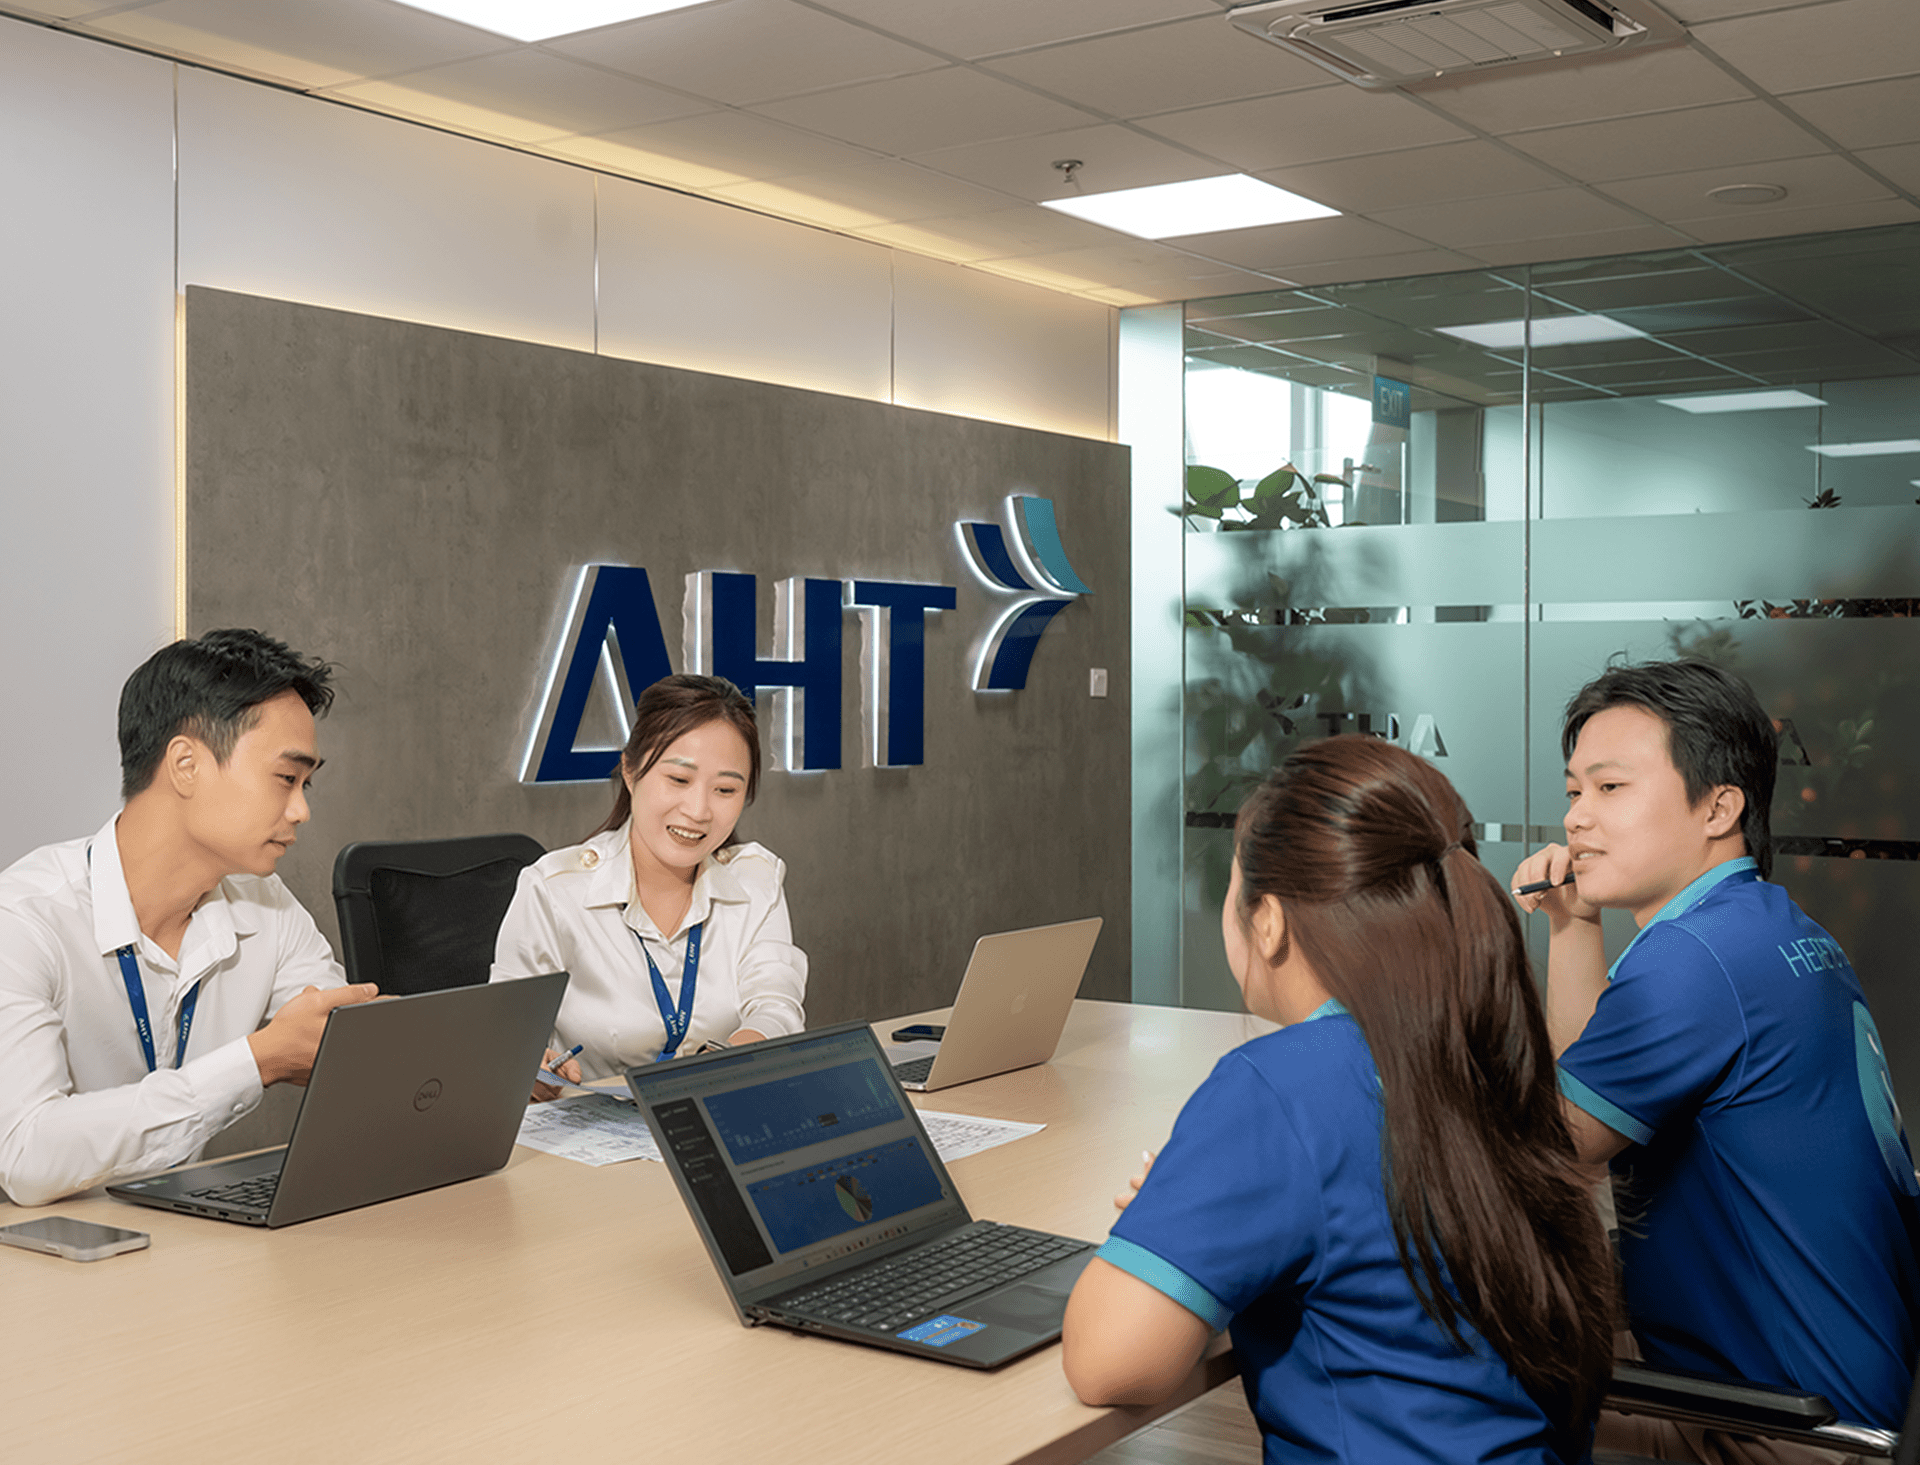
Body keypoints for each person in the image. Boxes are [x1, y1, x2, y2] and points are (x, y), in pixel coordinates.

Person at [1063, 736, 1616, 1465]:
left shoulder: (1280, 1084)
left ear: (1268, 919)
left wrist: (1163, 1209)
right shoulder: (1486, 1047)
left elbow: (1111, 1363)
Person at [1513, 659, 1920, 1453]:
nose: (1577, 819)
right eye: (1573, 792)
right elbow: (1594, 1076)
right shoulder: (1765, 927)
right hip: (1858, 1388)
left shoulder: (1695, 962)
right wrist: (1572, 922)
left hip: (1787, 1427)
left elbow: (1544, 1158)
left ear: (1719, 805)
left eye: (1611, 788)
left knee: (1445, 1365)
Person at [0, 628, 376, 1207]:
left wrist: (476, 1056)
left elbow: (346, 1033)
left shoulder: (265, 902)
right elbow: (27, 1155)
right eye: (286, 779)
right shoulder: (24, 919)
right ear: (185, 765)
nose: (301, 810)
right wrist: (259, 1060)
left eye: (306, 784)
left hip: (172, 1232)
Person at [491, 674, 806, 1090]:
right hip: (590, 1135)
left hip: (717, 1111)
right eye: (678, 780)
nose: (698, 811)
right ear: (631, 770)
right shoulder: (553, 890)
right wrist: (530, 1067)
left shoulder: (756, 880)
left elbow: (777, 1004)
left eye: (725, 789)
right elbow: (503, 1040)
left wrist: (732, 1057)